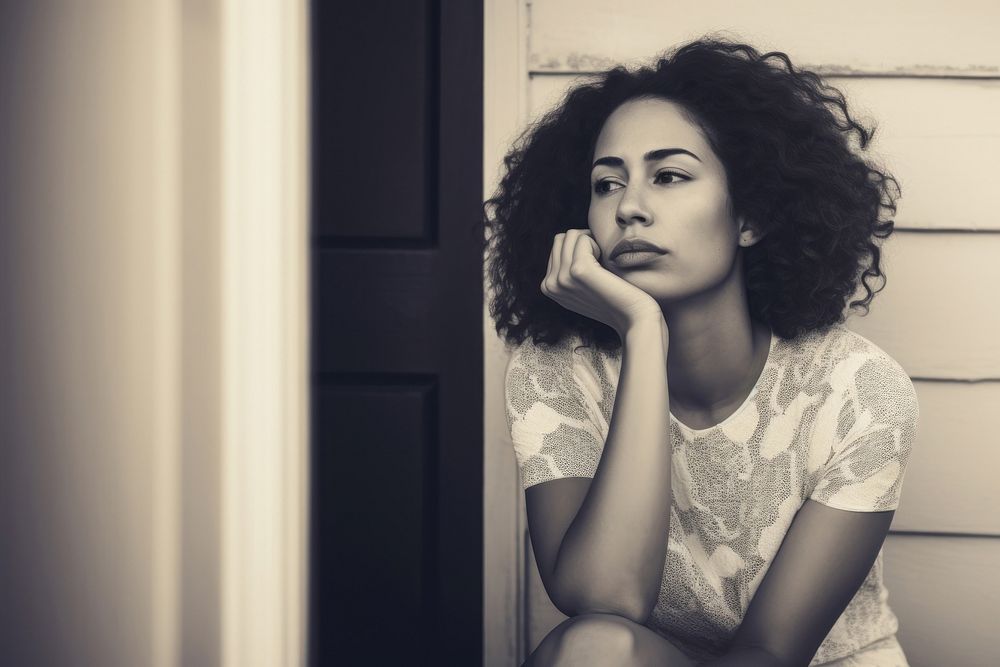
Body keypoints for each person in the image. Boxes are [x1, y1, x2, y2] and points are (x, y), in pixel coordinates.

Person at [483, 38, 919, 667]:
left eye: (669, 175)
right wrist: (641, 334)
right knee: (592, 648)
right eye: (606, 185)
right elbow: (606, 599)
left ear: (751, 217)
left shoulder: (857, 390)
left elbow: (771, 652)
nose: (629, 208)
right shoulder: (557, 371)